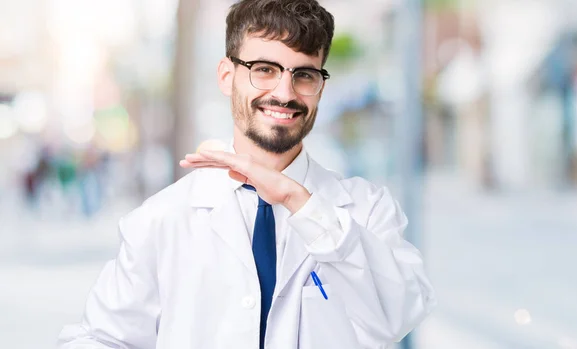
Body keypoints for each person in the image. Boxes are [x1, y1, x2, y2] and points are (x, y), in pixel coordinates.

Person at [57, 0, 436, 348]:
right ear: (227, 76)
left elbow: (399, 316)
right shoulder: (162, 219)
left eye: (304, 74)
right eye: (264, 70)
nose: (285, 93)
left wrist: (299, 203)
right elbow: (101, 338)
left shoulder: (367, 211)